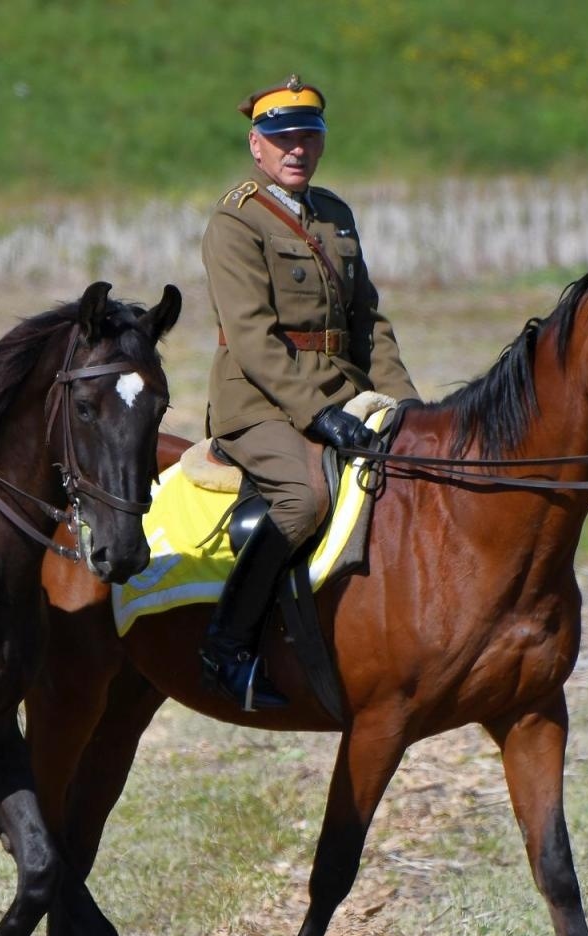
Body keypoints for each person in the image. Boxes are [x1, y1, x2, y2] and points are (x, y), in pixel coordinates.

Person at [199, 74, 421, 710]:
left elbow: (368, 322)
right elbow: (253, 340)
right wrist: (320, 413)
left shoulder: (334, 215)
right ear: (256, 145)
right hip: (258, 403)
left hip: (343, 391)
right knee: (303, 498)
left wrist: (407, 405)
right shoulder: (235, 221)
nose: (296, 149)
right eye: (282, 138)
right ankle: (227, 646)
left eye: (308, 137)